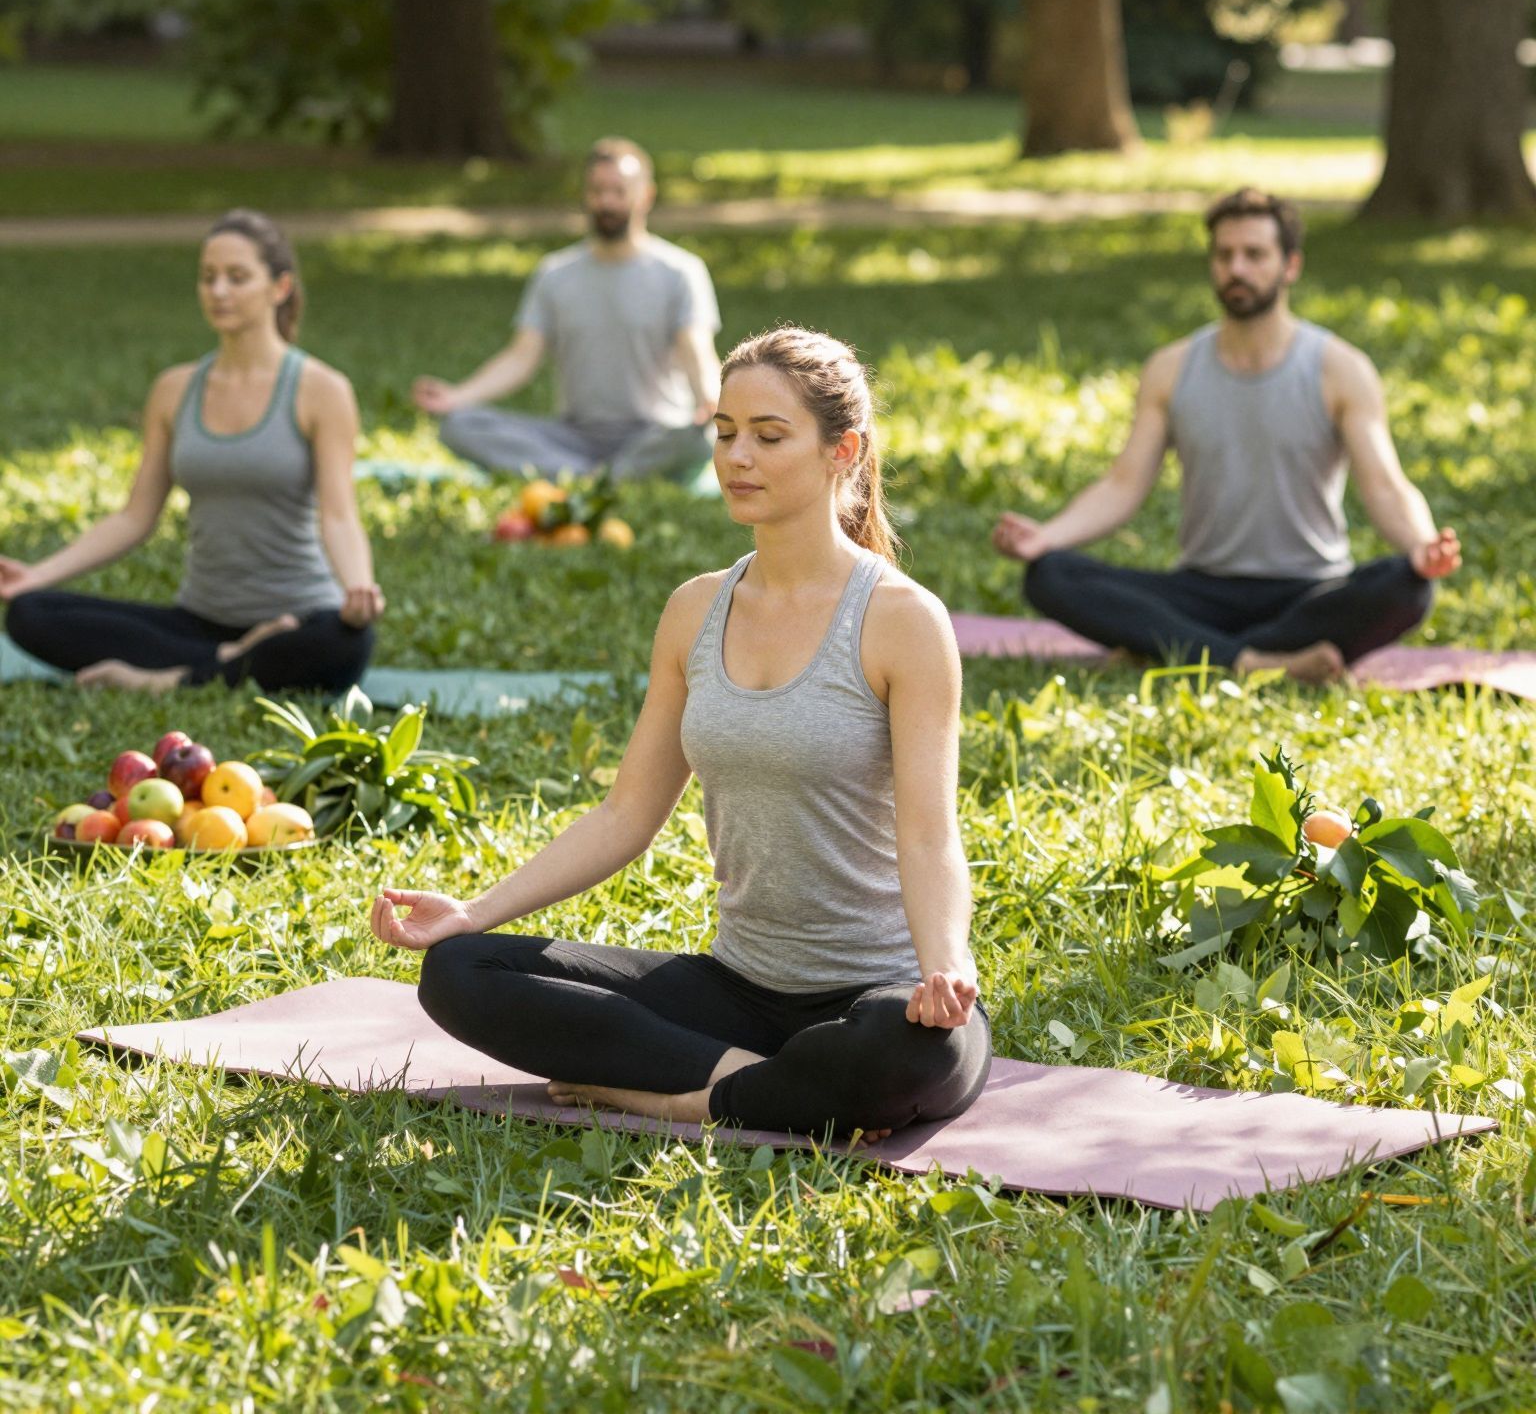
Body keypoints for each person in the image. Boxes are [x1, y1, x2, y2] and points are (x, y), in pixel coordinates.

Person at [372, 326, 991, 1140]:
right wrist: (475, 912)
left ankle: (677, 1094)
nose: (737, 457)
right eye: (725, 432)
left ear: (843, 450)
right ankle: (759, 1087)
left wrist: (946, 964)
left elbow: (929, 834)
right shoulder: (695, 610)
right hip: (734, 992)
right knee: (459, 973)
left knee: (909, 1057)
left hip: (876, 996)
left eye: (769, 437)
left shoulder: (902, 621)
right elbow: (626, 815)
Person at [994, 187, 1460, 683]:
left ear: (1290, 266)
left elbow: (1386, 485)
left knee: (1408, 588)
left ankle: (1182, 649)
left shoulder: (1340, 369)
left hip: (1310, 592)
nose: (1236, 268)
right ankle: (1257, 662)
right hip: (1202, 592)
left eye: (1255, 254)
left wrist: (1422, 546)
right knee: (1049, 575)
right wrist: (1047, 537)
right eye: (1224, 255)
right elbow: (1122, 485)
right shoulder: (1170, 369)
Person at [1, 210, 384, 694]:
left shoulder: (321, 390)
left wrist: (358, 589)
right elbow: (135, 518)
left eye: (237, 277)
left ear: (280, 287)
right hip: (199, 620)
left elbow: (340, 515)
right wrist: (36, 574)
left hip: (299, 618)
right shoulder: (174, 389)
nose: (218, 291)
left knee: (346, 643)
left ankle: (163, 680)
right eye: (208, 277)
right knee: (30, 614)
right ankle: (228, 661)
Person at [412, 137, 721, 482]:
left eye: (619, 191)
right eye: (597, 190)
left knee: (701, 439)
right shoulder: (554, 274)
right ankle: (604, 476)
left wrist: (709, 399)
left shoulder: (681, 271)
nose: (606, 201)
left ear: (645, 196)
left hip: (654, 435)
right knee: (459, 425)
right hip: (571, 438)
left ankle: (586, 477)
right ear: (585, 195)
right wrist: (457, 396)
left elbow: (697, 350)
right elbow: (521, 358)